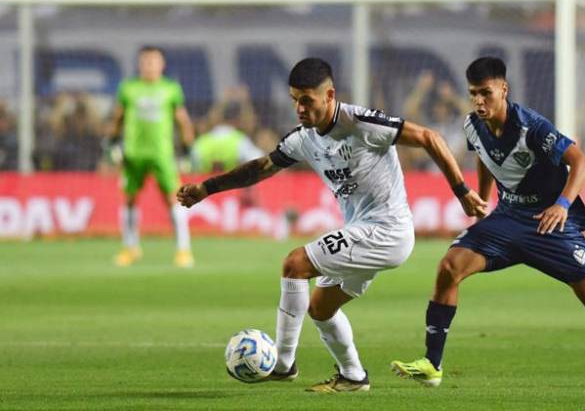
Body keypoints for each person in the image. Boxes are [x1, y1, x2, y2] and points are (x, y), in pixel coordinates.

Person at [176, 58, 486, 393]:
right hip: (363, 231)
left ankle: (283, 364)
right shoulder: (304, 138)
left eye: (306, 99)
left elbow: (429, 136)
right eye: (294, 99)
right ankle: (353, 376)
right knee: (321, 308)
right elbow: (262, 167)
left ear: (329, 95)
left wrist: (462, 190)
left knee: (294, 264)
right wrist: (207, 189)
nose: (299, 107)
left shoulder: (361, 123)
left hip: (387, 229)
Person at [391, 57, 585, 389]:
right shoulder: (473, 125)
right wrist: (483, 201)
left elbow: (581, 162)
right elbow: (485, 155)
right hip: (507, 219)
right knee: (449, 267)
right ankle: (432, 364)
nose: (480, 102)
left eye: (486, 93)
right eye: (473, 94)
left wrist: (562, 206)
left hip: (549, 225)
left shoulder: (532, 127)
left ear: (503, 89)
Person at [107, 46, 195, 268]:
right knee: (129, 199)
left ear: (162, 64)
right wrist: (112, 142)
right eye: (145, 61)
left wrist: (187, 148)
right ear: (139, 64)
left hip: (161, 154)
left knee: (174, 199)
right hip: (133, 154)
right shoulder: (128, 88)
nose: (149, 65)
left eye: (153, 61)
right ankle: (130, 247)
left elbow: (182, 120)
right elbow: (118, 117)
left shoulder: (170, 89)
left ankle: (183, 250)